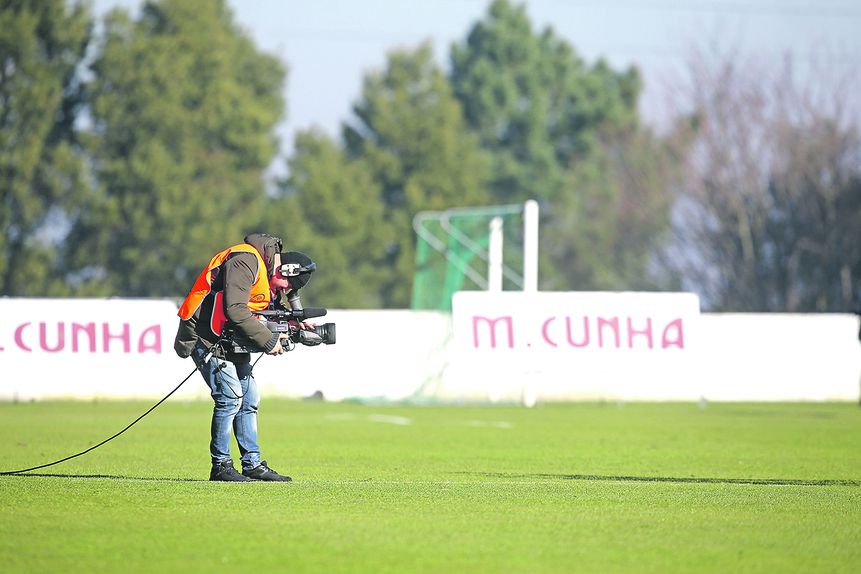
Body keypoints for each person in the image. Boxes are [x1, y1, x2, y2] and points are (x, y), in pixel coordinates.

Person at [174, 233, 316, 482]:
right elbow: (236, 310)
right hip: (205, 336)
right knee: (230, 398)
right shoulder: (245, 260)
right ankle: (221, 466)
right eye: (287, 286)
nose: (285, 291)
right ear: (285, 271)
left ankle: (252, 464)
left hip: (230, 340)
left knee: (249, 399)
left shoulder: (265, 270)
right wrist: (269, 341)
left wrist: (295, 324)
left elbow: (263, 309)